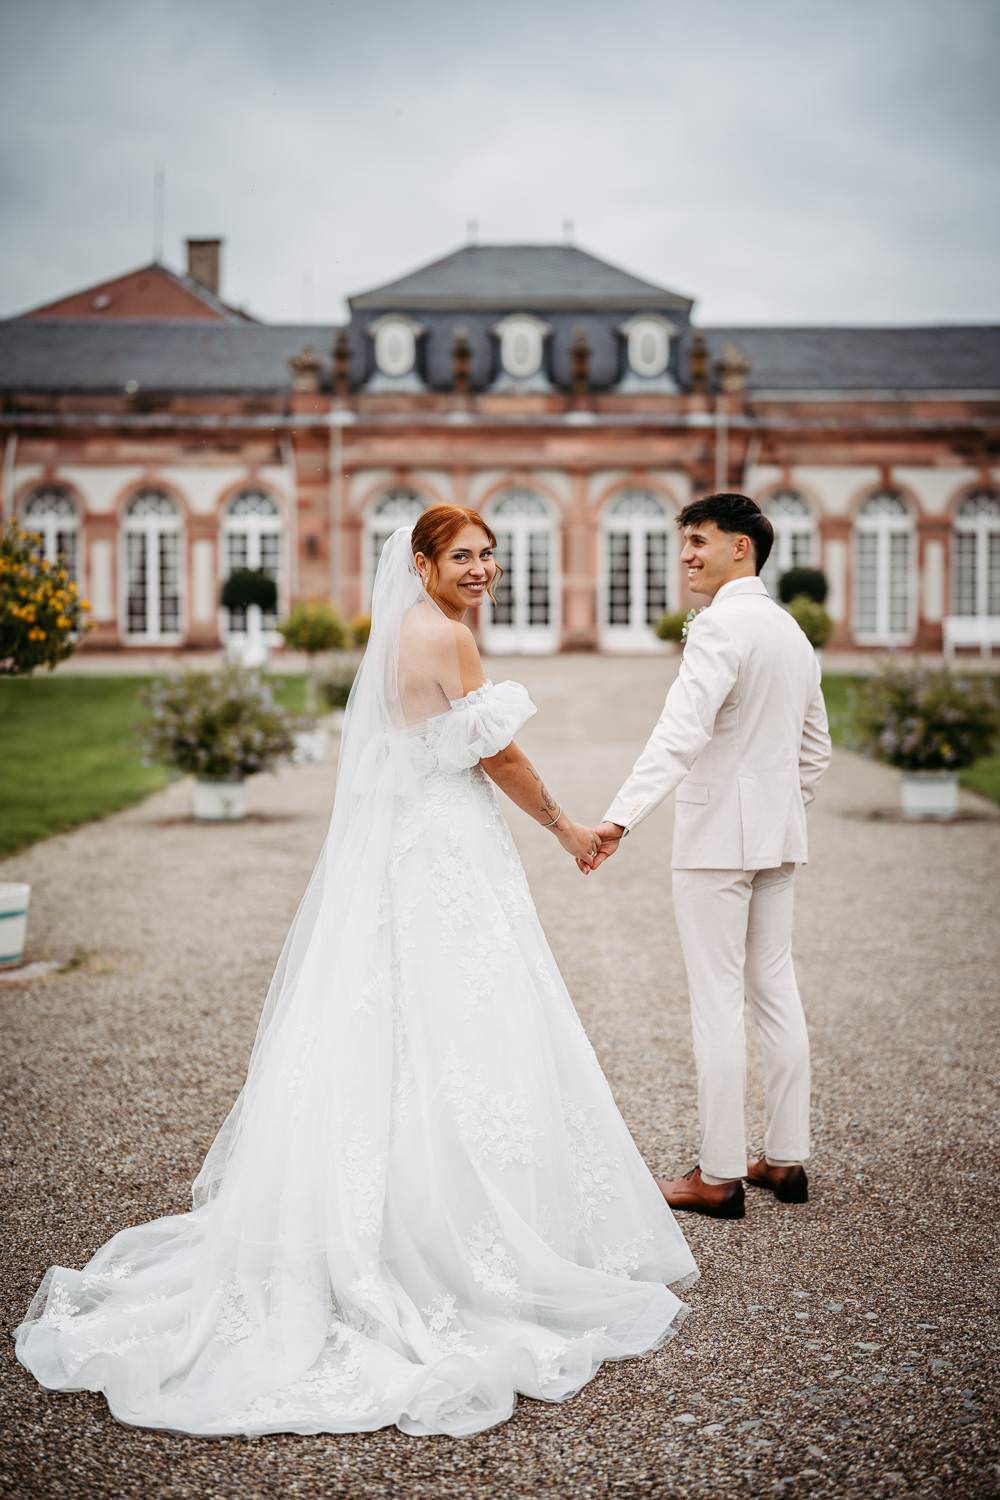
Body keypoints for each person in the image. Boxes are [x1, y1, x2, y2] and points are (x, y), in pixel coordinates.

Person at [15, 504, 697, 1439]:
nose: (482, 569)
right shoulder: (447, 639)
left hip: (411, 848)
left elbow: (404, 755)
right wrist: (570, 830)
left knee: (396, 1023)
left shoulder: (396, 636)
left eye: (489, 556)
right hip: (448, 849)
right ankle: (458, 1238)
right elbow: (495, 754)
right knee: (463, 1019)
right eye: (463, 556)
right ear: (420, 563)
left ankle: (393, 1214)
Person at [585, 493, 832, 1220]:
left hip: (716, 841)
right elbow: (815, 751)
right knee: (774, 986)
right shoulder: (791, 630)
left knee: (718, 1000)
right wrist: (782, 808)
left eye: (700, 540)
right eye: (684, 541)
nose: (687, 553)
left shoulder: (721, 627)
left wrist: (619, 818)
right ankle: (786, 1160)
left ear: (741, 550)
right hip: (778, 838)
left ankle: (719, 1175)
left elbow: (678, 734)